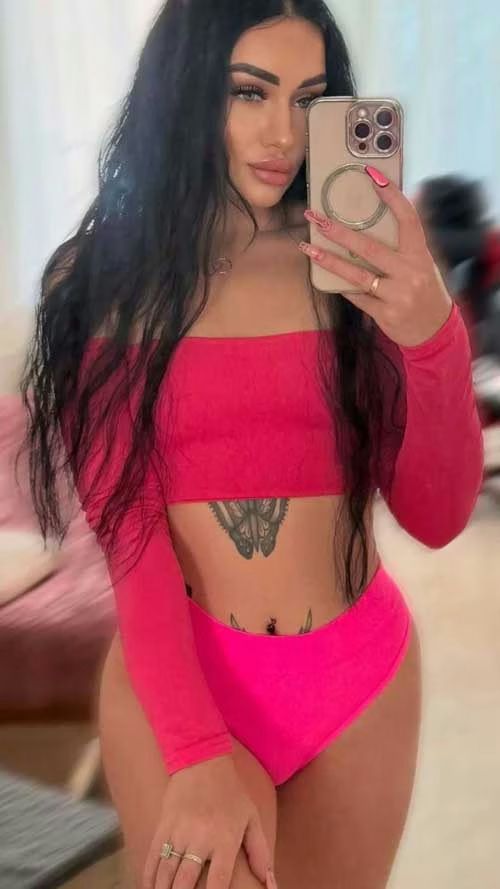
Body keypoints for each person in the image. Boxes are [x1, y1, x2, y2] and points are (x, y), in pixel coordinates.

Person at [20, 2, 483, 888]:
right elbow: (130, 532)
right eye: (248, 92)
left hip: (359, 676)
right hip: (184, 677)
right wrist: (196, 746)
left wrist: (432, 335)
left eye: (310, 99)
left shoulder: (356, 265)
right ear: (187, 91)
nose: (283, 135)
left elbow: (437, 513)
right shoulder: (102, 280)